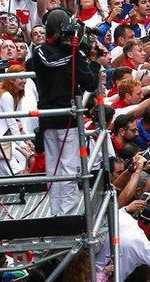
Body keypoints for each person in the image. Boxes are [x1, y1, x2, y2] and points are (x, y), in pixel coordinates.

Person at [35, 9, 100, 216]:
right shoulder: (71, 55)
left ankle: (57, 212)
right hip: (67, 120)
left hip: (48, 118)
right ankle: (68, 214)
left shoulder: (39, 52)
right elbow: (90, 82)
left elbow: (51, 62)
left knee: (53, 167)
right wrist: (92, 61)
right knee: (68, 169)